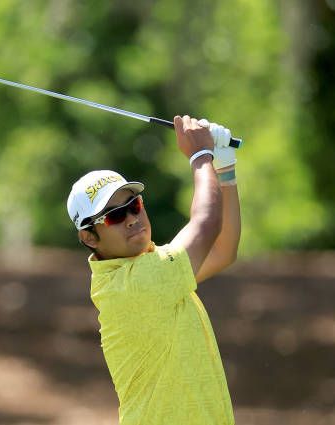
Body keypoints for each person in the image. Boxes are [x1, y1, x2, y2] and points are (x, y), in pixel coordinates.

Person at [66, 115, 241, 425]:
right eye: (114, 216)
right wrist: (202, 156)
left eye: (133, 205)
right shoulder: (134, 286)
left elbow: (221, 251)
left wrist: (225, 170)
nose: (132, 218)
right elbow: (207, 225)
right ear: (89, 237)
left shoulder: (151, 266)